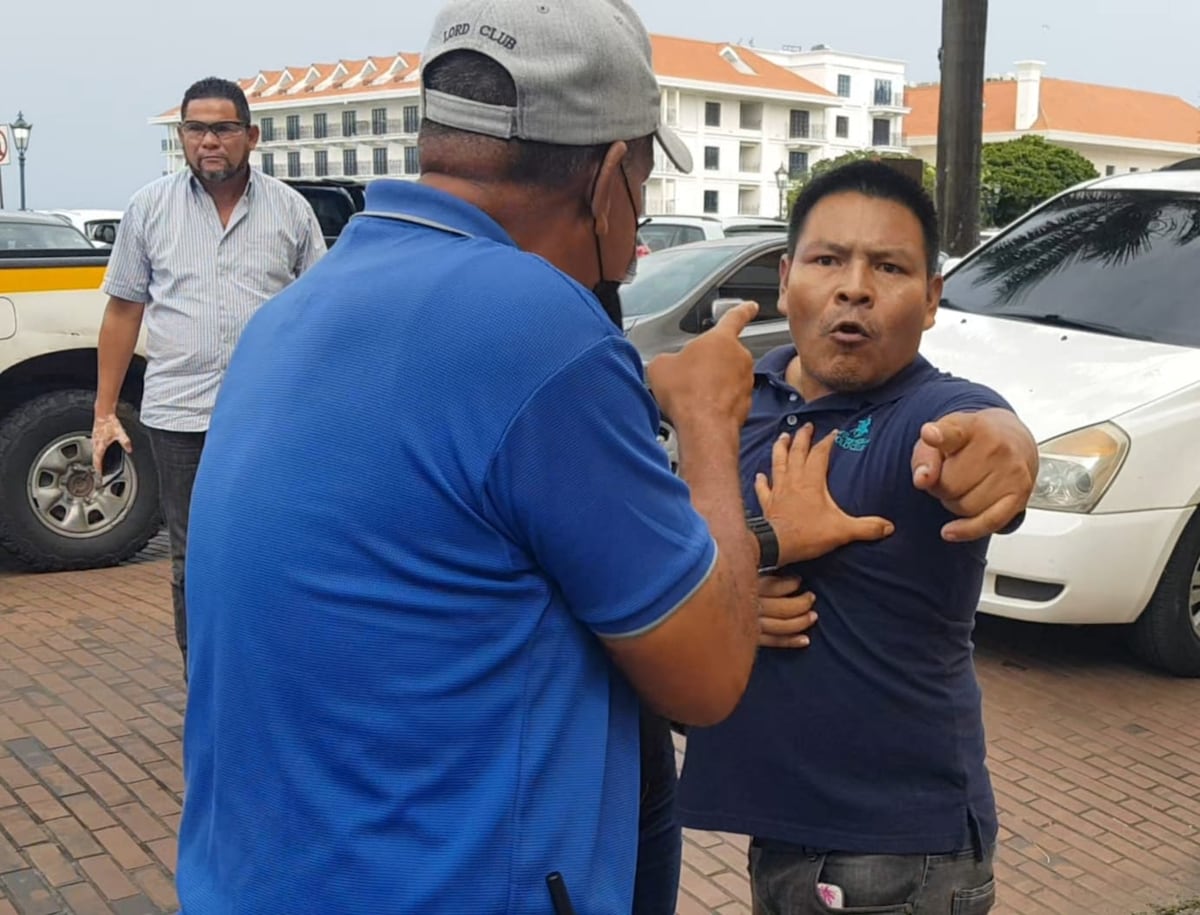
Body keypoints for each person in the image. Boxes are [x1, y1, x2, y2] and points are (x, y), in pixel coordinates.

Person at [174, 3, 895, 914]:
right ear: (605, 178)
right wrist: (710, 424)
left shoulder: (294, 314)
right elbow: (707, 675)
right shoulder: (539, 327)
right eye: (640, 187)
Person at [676, 160, 1038, 915]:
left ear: (932, 299)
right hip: (782, 832)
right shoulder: (745, 403)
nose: (854, 287)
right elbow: (676, 561)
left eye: (890, 266)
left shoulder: (929, 413)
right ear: (785, 280)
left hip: (897, 855)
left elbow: (991, 433)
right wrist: (752, 569)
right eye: (828, 259)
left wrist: (1006, 452)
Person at [93, 77, 326, 673]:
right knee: (192, 560)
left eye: (223, 128)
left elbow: (319, 312)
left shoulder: (291, 210)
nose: (209, 142)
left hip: (269, 417)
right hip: (180, 418)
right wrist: (103, 414)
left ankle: (269, 680)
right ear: (182, 137)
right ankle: (208, 686)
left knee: (271, 550)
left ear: (251, 136)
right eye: (196, 129)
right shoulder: (150, 207)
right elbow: (123, 310)